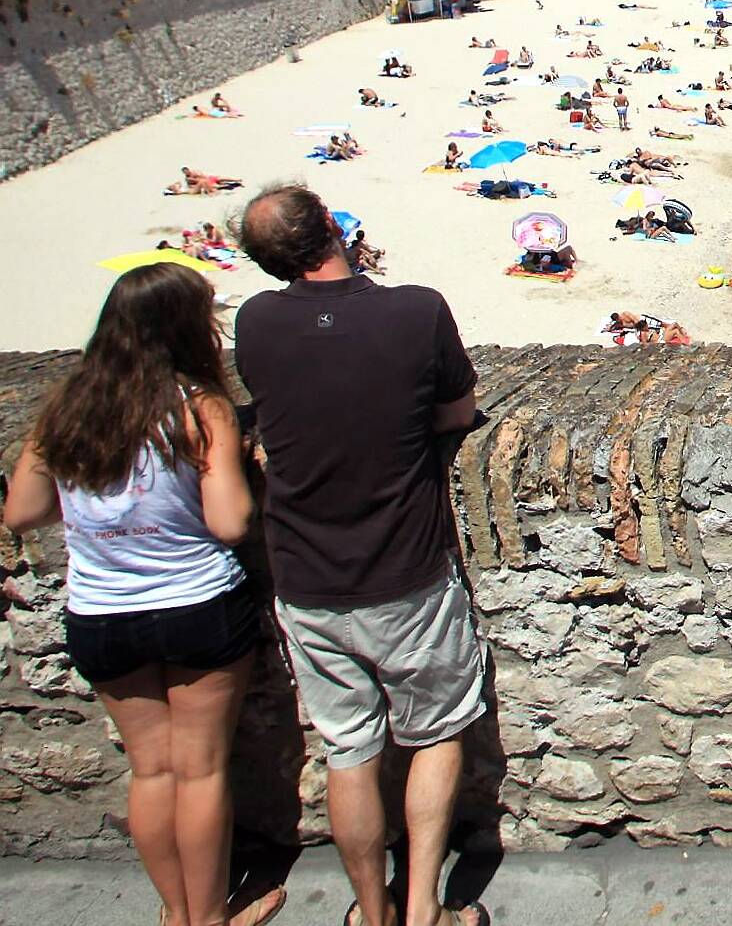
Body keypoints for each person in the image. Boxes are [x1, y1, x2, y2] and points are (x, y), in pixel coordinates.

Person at [229, 186, 489, 926]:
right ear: (335, 229)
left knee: (348, 751)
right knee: (436, 732)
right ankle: (423, 910)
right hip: (403, 571)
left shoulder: (256, 322)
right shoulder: (414, 310)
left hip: (305, 579)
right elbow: (456, 412)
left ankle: (371, 913)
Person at [3, 265, 286, 926]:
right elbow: (229, 522)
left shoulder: (66, 406)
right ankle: (212, 916)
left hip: (102, 610)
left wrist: (99, 512)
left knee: (151, 771)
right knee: (201, 770)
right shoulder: (198, 406)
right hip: (195, 602)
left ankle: (175, 911)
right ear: (188, 328)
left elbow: (21, 511)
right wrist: (243, 463)